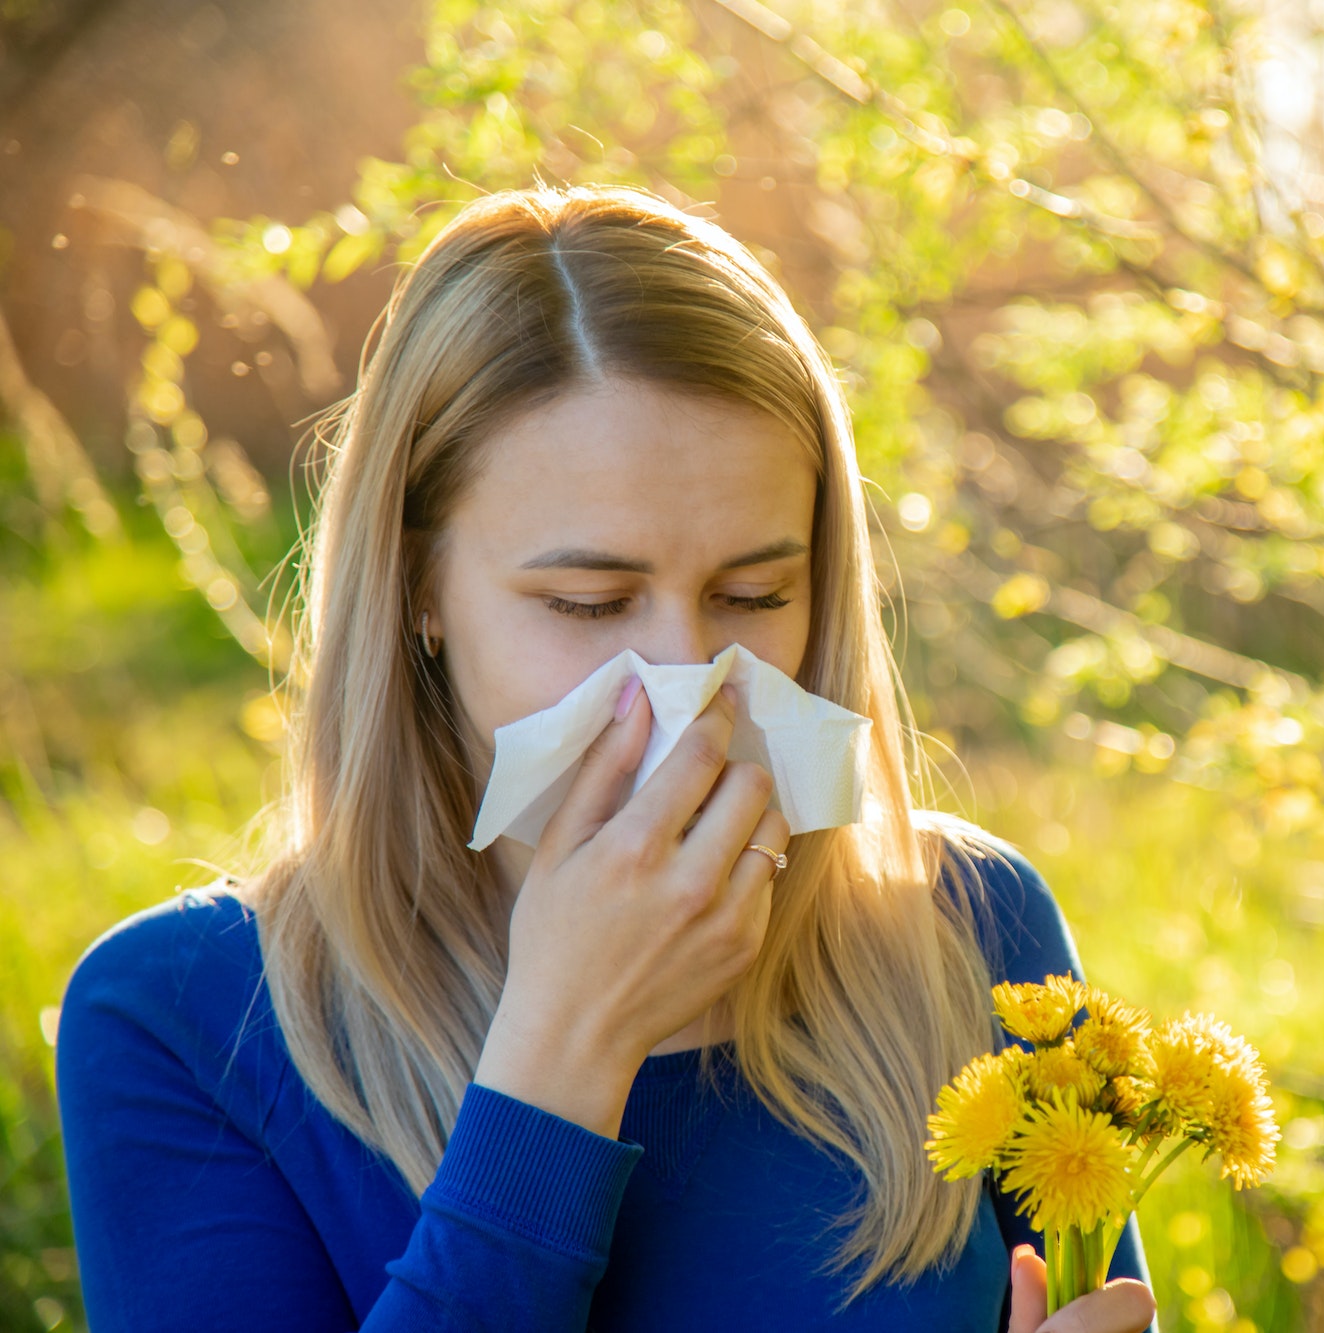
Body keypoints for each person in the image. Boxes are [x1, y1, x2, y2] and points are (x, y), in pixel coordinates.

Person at [55, 184, 1159, 1333]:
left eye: (752, 592)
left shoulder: (966, 929)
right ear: (418, 585)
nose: (684, 682)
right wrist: (560, 1055)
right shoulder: (186, 1022)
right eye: (587, 603)